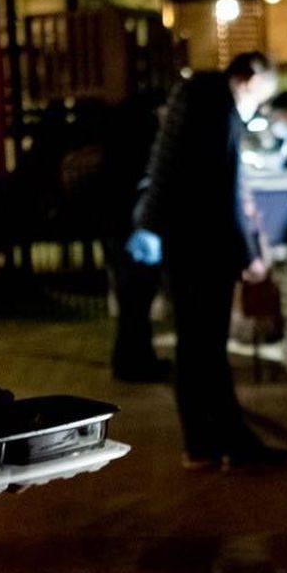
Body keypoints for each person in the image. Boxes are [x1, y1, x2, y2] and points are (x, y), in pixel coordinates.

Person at [130, 52, 287, 470]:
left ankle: (201, 443)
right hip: (204, 245)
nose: (260, 106)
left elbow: (170, 169)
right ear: (250, 77)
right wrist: (248, 254)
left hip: (184, 241)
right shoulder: (216, 106)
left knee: (194, 346)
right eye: (262, 96)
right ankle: (233, 444)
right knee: (207, 347)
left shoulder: (194, 96)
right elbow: (225, 187)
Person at [102, 90, 173, 382]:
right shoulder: (143, 148)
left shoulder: (120, 148)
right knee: (136, 301)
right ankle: (135, 363)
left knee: (132, 302)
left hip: (119, 230)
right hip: (133, 233)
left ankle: (133, 360)